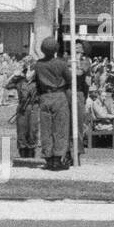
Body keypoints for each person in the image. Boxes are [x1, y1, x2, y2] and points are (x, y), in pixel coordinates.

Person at [34, 36, 71, 170]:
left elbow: (37, 81)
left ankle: (48, 157)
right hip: (58, 95)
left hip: (44, 96)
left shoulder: (38, 64)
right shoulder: (61, 63)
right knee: (60, 128)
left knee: (46, 129)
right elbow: (69, 79)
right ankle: (57, 158)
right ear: (56, 49)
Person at [8, 60, 39, 158]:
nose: (29, 73)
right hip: (22, 108)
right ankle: (22, 151)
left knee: (32, 130)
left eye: (32, 70)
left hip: (34, 107)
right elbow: (7, 85)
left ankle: (31, 151)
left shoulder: (38, 82)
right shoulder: (20, 82)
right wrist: (14, 75)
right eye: (27, 70)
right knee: (21, 130)